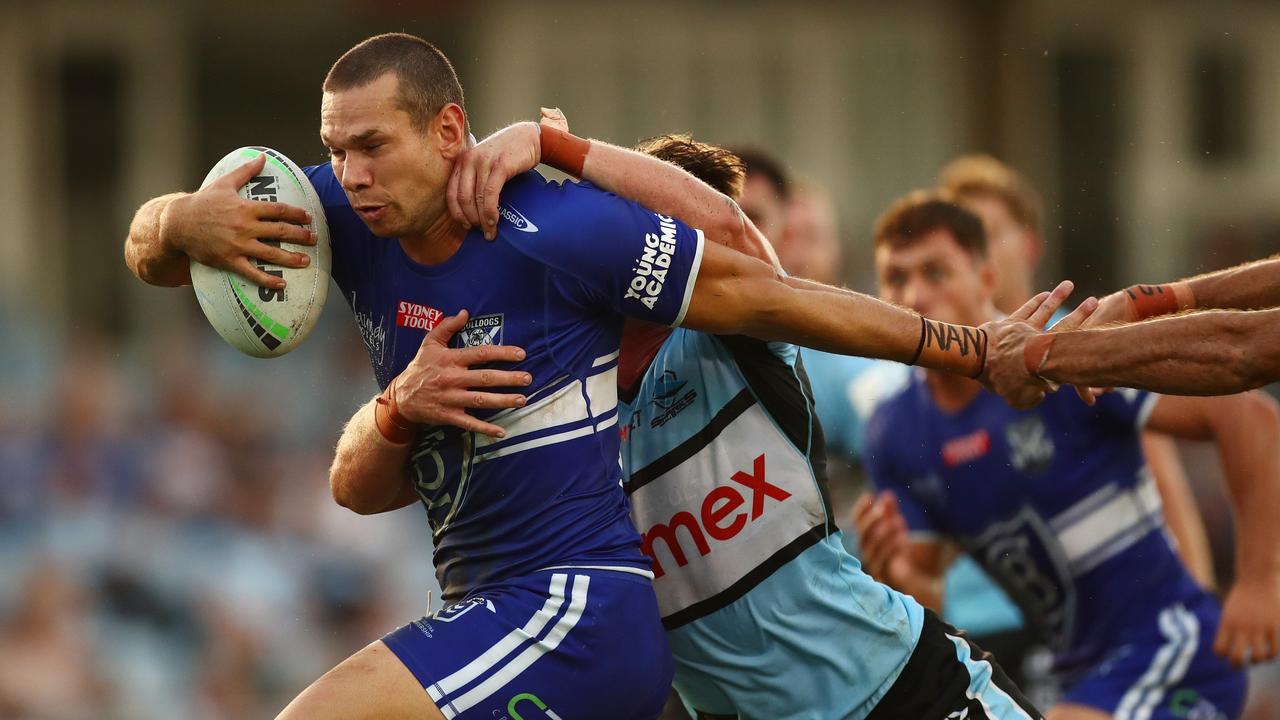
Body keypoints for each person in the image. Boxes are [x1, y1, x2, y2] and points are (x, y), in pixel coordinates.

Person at [123, 34, 1058, 719]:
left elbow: (769, 288)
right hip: (502, 609)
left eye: (372, 147)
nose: (348, 173)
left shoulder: (562, 230)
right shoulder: (342, 217)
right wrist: (181, 225)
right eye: (334, 150)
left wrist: (971, 349)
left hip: (575, 610)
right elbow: (351, 485)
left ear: (450, 130)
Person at [498, 127, 1041, 719]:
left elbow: (730, 233)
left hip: (900, 692)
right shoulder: (569, 397)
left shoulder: (733, 339)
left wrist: (549, 143)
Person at [855, 190, 1280, 720]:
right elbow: (926, 595)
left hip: (1171, 648)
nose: (915, 296)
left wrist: (1261, 580)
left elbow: (1248, 415)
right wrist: (889, 574)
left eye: (935, 273)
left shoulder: (1062, 357)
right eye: (896, 278)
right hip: (1071, 674)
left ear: (987, 278)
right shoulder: (893, 429)